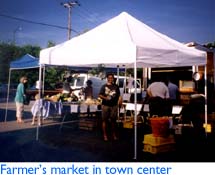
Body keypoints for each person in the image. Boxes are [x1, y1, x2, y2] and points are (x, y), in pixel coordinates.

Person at [99, 73, 120, 141]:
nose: (110, 79)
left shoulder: (116, 86)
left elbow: (119, 96)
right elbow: (100, 95)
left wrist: (120, 102)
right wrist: (105, 98)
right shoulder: (104, 86)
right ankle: (105, 135)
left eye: (112, 78)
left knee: (113, 121)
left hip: (114, 106)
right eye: (109, 78)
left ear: (113, 78)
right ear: (107, 78)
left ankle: (114, 135)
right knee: (104, 120)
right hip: (105, 105)